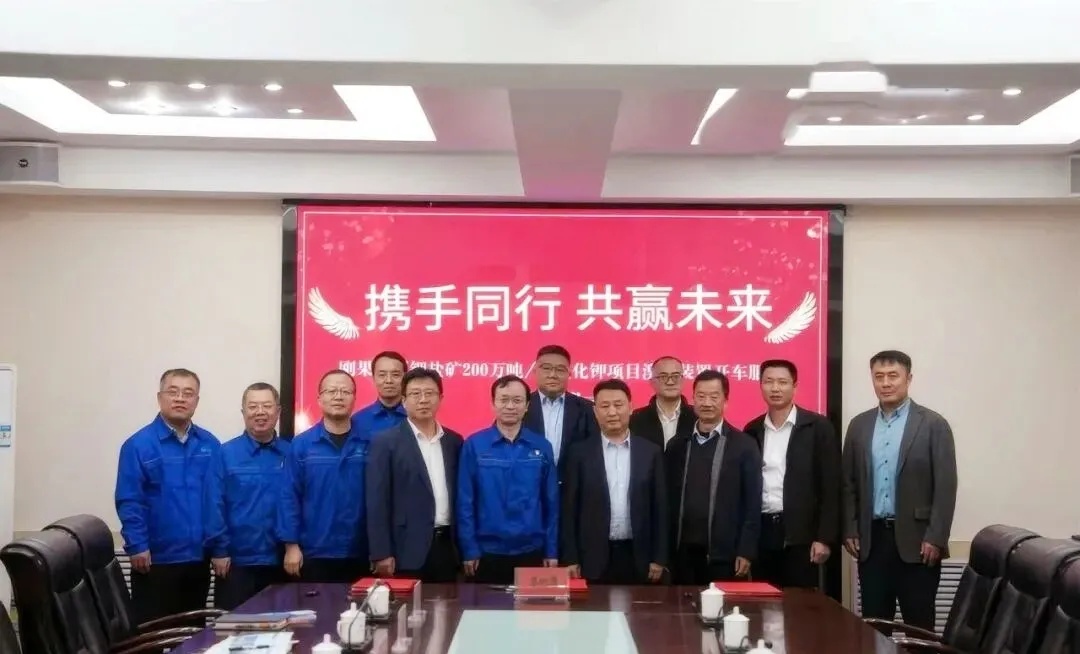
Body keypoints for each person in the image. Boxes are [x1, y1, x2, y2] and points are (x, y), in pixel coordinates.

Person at [842, 350, 957, 632]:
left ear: (909, 379)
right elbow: (848, 483)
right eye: (878, 377)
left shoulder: (933, 424)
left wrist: (936, 537)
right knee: (874, 626)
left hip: (919, 543)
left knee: (919, 626)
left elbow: (945, 485)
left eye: (893, 376)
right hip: (872, 541)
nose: (885, 383)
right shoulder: (859, 425)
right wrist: (850, 528)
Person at [115, 368, 220, 623]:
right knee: (154, 634)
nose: (180, 398)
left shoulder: (210, 444)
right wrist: (137, 545)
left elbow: (217, 500)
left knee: (193, 634)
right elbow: (130, 500)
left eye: (188, 393)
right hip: (155, 561)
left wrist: (218, 547)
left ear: (197, 401)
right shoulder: (138, 445)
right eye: (173, 392)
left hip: (198, 559)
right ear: (160, 397)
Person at [743, 360, 841, 589]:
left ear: (795, 386)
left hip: (802, 535)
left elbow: (831, 486)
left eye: (782, 382)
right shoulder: (752, 430)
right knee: (763, 602)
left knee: (800, 603)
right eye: (769, 382)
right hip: (763, 532)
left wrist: (824, 538)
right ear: (760, 386)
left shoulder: (817, 427)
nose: (775, 388)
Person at [561, 379, 668, 584]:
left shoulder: (650, 452)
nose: (612, 412)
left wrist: (659, 557)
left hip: (638, 556)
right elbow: (569, 510)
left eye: (618, 405)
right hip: (592, 557)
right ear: (595, 411)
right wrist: (571, 558)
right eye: (604, 406)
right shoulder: (579, 453)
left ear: (631, 407)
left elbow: (660, 508)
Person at [458, 375, 559, 584]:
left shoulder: (542, 446)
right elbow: (465, 502)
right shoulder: (474, 445)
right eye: (503, 400)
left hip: (532, 550)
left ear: (527, 405)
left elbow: (551, 502)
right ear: (493, 403)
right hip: (486, 552)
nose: (510, 406)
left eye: (517, 400)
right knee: (485, 606)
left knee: (532, 606)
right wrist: (469, 548)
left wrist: (551, 550)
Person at [367, 368, 463, 583]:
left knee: (448, 603)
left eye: (429, 393)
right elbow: (377, 501)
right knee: (407, 605)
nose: (423, 400)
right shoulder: (385, 442)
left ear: (440, 398)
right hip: (405, 548)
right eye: (415, 394)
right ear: (403, 400)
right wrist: (381, 552)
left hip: (447, 546)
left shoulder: (454, 441)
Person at [666, 369, 762, 585]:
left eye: (714, 396)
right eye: (701, 396)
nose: (707, 403)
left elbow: (752, 502)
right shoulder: (677, 445)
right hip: (682, 554)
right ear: (693, 399)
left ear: (725, 401)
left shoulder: (744, 445)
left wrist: (746, 550)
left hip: (725, 555)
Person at [278, 369, 371, 582]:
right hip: (315, 551)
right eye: (331, 391)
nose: (338, 397)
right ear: (319, 399)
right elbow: (289, 497)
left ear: (354, 399)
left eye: (345, 391)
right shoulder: (302, 445)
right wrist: (291, 545)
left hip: (361, 550)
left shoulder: (370, 443)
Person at [203, 382, 290, 609]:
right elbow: (213, 504)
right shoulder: (224, 454)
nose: (260, 412)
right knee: (233, 627)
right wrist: (219, 550)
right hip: (235, 564)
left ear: (278, 411)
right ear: (243, 412)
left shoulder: (291, 453)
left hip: (281, 562)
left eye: (267, 406)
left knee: (282, 625)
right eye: (253, 407)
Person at [524, 345, 600, 478]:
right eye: (546, 368)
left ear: (569, 373)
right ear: (534, 370)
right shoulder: (520, 407)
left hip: (572, 485)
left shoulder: (587, 409)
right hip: (528, 484)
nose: (553, 375)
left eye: (560, 370)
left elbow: (595, 452)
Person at [629, 356, 697, 450]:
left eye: (676, 376)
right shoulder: (635, 419)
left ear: (683, 380)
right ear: (652, 382)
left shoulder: (697, 417)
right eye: (663, 377)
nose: (670, 382)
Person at [352, 351, 409, 436]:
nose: (389, 380)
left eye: (395, 375)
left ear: (405, 378)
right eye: (382, 375)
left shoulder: (417, 417)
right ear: (373, 378)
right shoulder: (358, 421)